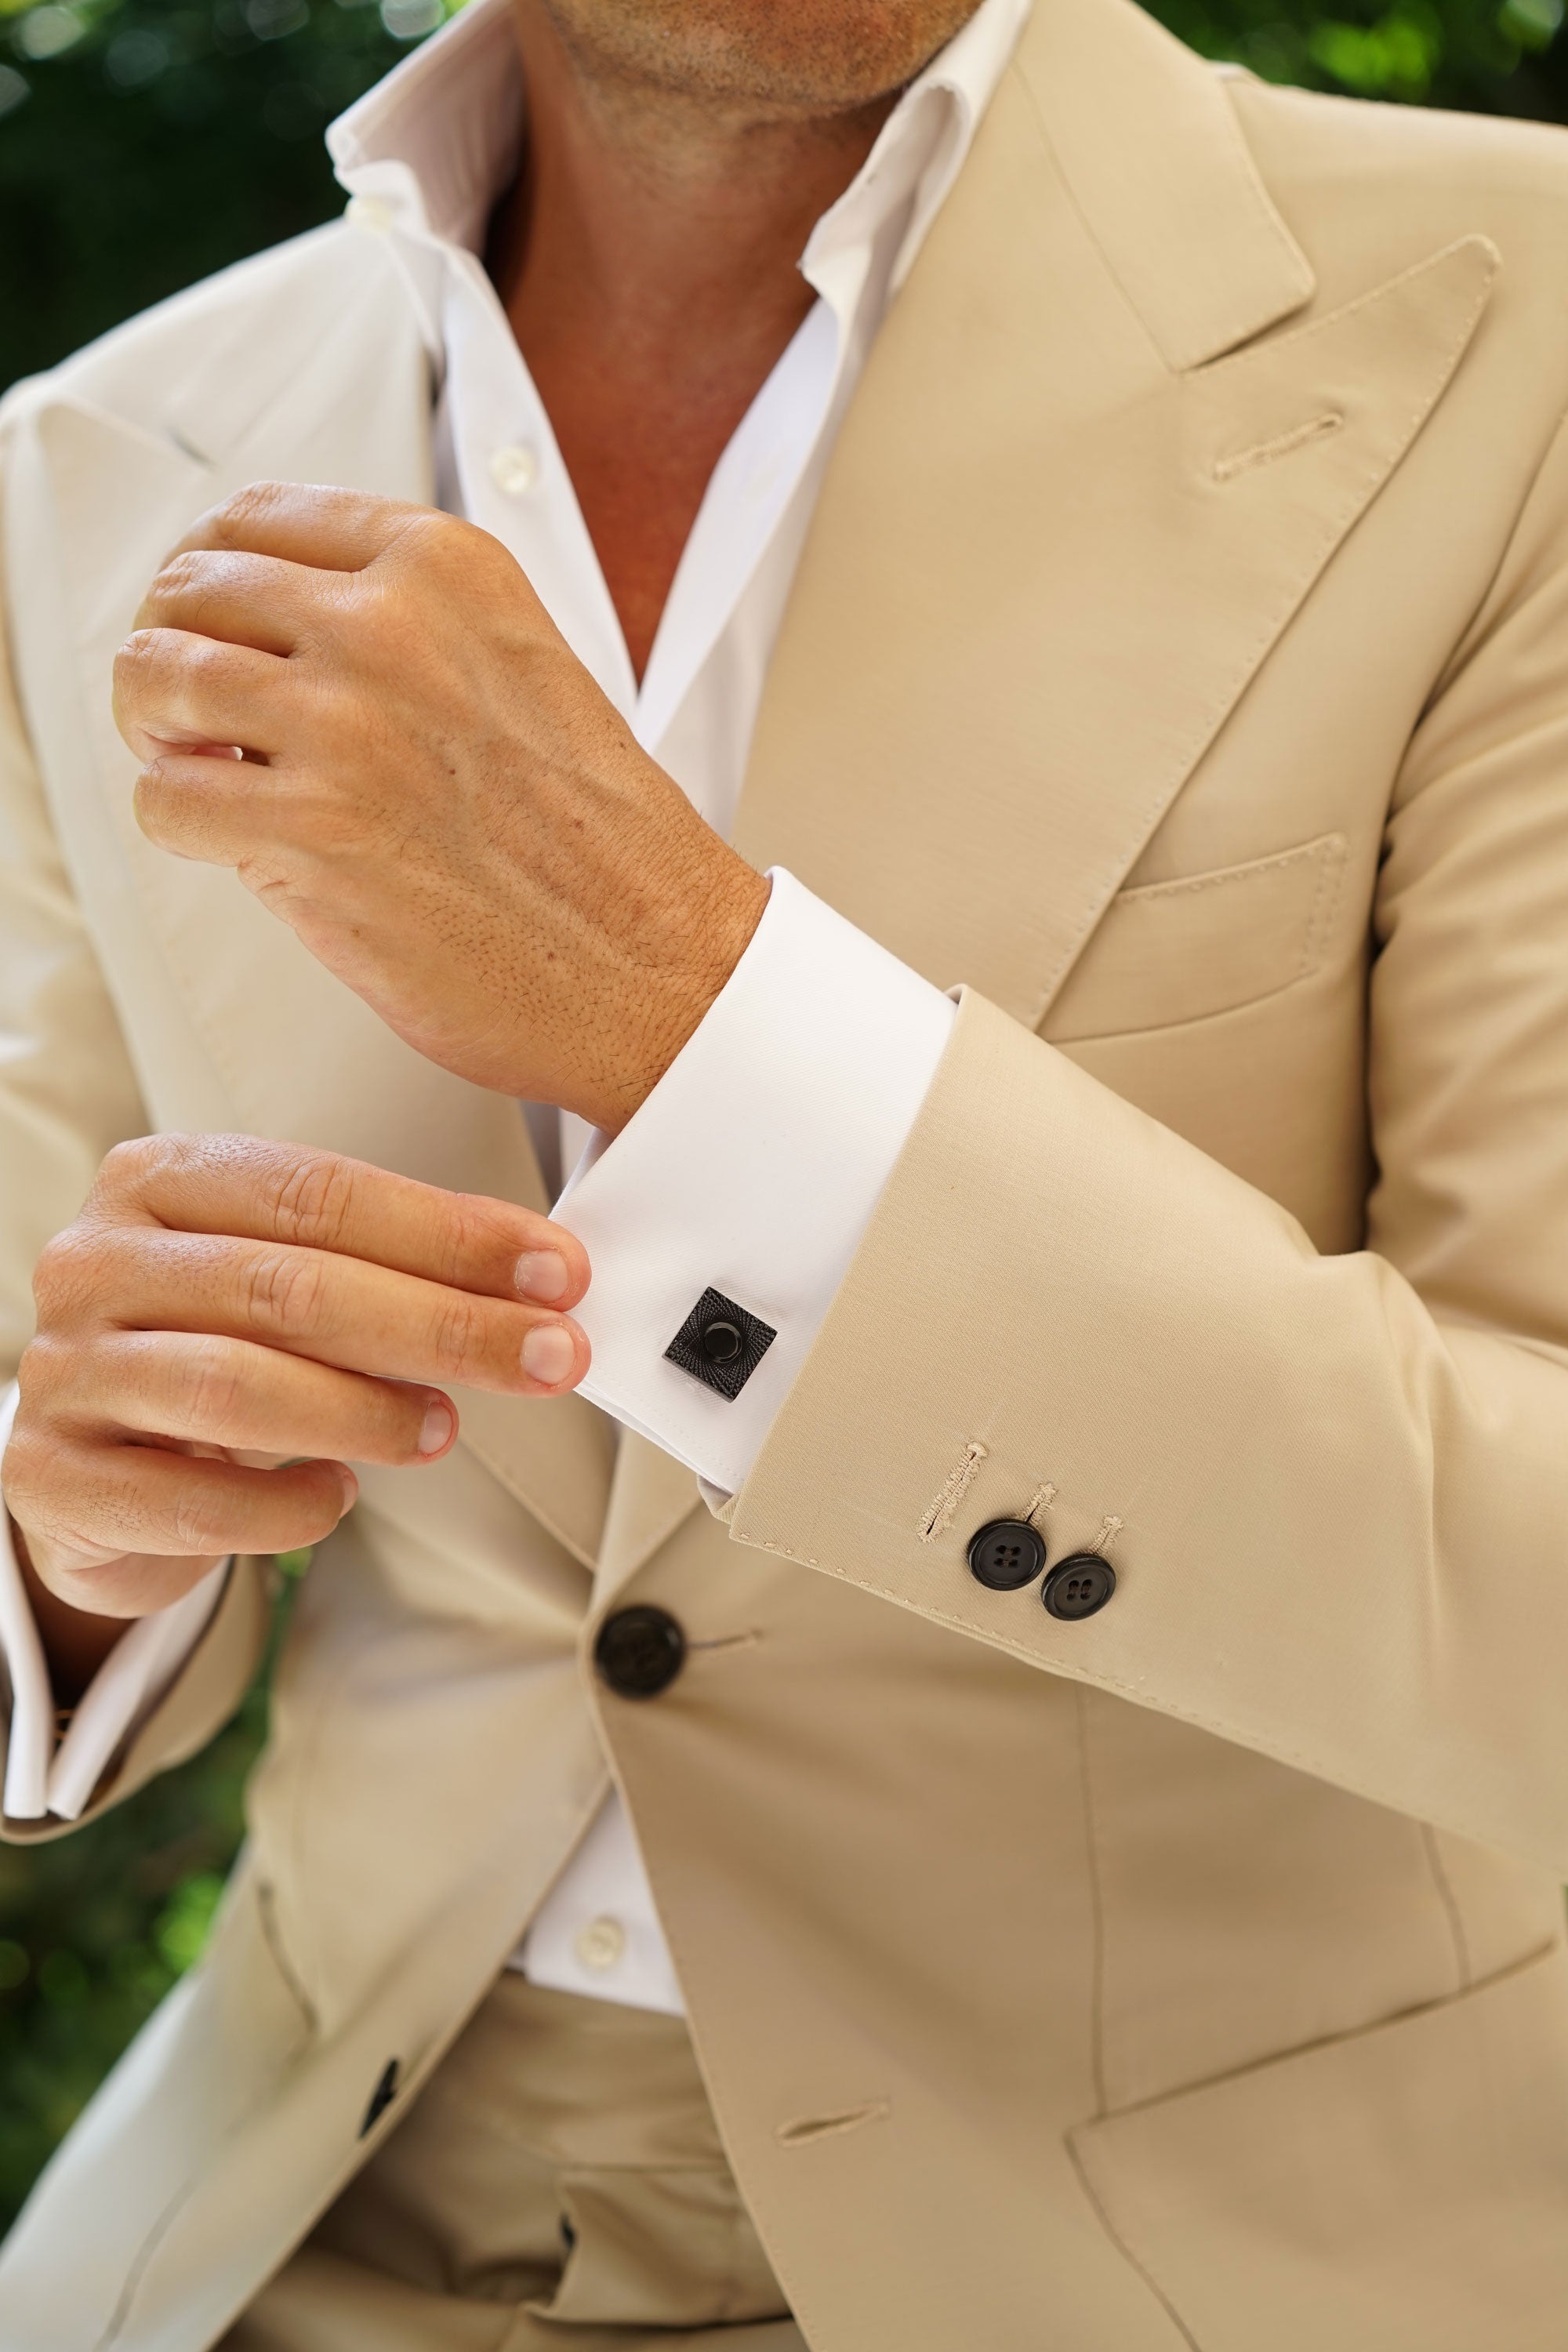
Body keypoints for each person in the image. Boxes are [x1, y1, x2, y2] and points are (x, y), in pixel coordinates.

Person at [4, 0, 1568, 2339]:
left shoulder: (1518, 325)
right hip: (298, 2209)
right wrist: (71, 1553)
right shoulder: (91, 463)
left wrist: (705, 1020)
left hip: (1218, 2257)